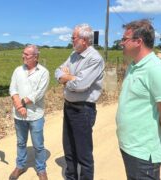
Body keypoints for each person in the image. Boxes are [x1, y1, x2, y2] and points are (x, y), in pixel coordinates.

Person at [116, 19, 161, 179]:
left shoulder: (156, 69)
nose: (121, 43)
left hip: (143, 151)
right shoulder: (134, 66)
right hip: (130, 147)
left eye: (124, 39)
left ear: (138, 42)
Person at [54, 24, 105, 180]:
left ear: (84, 40)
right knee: (69, 149)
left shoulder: (94, 58)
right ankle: (71, 177)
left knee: (83, 153)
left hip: (83, 110)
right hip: (68, 107)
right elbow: (57, 71)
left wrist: (68, 78)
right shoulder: (73, 54)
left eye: (73, 37)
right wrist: (70, 78)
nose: (71, 40)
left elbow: (81, 86)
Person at [9, 45, 50, 180]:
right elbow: (13, 90)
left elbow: (38, 94)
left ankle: (41, 169)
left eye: (27, 54)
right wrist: (19, 107)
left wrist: (23, 103)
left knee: (38, 145)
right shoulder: (17, 70)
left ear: (35, 57)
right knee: (21, 142)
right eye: (23, 53)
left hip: (35, 115)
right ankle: (20, 166)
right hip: (19, 114)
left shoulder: (43, 72)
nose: (23, 56)